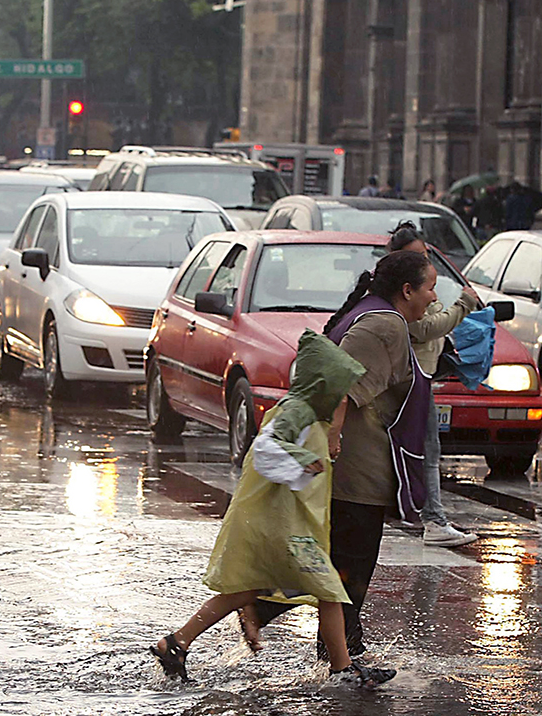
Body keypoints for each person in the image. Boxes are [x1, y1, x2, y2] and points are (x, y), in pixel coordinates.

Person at [149, 330, 396, 688]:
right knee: (330, 592)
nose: (343, 398)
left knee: (248, 590)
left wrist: (321, 449)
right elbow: (265, 449)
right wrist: (304, 458)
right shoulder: (297, 412)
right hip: (286, 531)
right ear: (321, 385)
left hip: (288, 527)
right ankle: (342, 670)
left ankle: (176, 642)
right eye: (339, 389)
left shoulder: (311, 416)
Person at [250, 249, 437, 659]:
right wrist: (334, 437)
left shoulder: (375, 315)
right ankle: (291, 625)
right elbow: (347, 389)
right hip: (358, 470)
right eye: (430, 288)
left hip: (352, 465)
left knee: (333, 560)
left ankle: (330, 647)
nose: (434, 298)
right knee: (349, 565)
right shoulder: (385, 325)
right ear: (407, 290)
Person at [388, 222, 479, 547]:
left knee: (424, 447)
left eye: (426, 255)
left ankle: (422, 512)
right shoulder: (399, 295)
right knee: (424, 449)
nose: (424, 263)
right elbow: (426, 328)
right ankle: (432, 518)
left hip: (422, 379)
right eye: (416, 257)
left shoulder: (421, 288)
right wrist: (462, 306)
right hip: (411, 381)